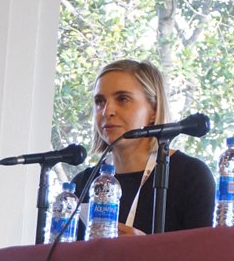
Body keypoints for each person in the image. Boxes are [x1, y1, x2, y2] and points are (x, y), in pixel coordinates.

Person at [73, 59, 216, 235]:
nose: (107, 111)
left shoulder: (190, 175)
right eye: (100, 101)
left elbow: (203, 258)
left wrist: (145, 250)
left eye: (122, 99)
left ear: (153, 110)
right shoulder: (83, 183)